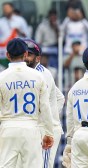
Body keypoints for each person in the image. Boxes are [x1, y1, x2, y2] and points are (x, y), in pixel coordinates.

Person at [0, 38, 53, 167]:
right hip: (31, 127)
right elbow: (45, 107)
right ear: (25, 54)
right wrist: (49, 133)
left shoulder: (2, 77)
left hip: (8, 128)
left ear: (7, 55)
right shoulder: (38, 76)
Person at [22, 38, 64, 168]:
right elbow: (60, 97)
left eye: (30, 55)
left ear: (38, 58)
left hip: (45, 130)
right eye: (24, 54)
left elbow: (40, 106)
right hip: (40, 127)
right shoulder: (33, 73)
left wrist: (50, 120)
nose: (26, 58)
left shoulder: (42, 74)